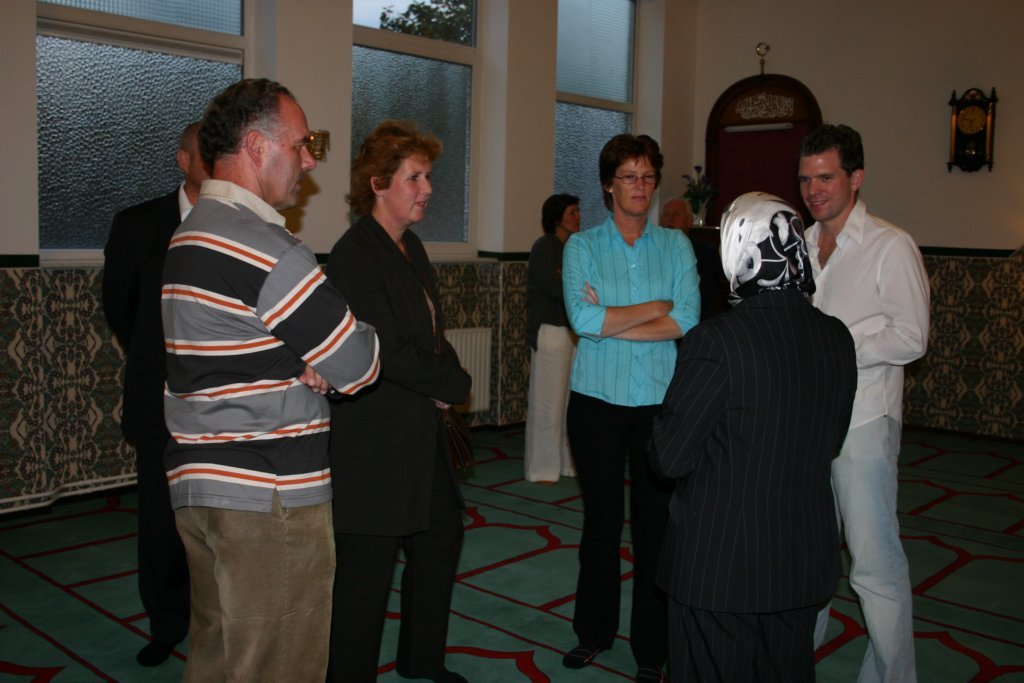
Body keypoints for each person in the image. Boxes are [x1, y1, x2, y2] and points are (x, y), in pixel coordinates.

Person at [161, 78, 381, 682]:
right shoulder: (263, 246)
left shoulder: (192, 230)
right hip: (268, 494)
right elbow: (358, 363)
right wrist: (334, 347)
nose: (310, 160)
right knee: (281, 665)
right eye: (302, 143)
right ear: (257, 148)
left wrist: (304, 355)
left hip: (202, 485)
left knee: (219, 657)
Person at [650, 192, 857, 682]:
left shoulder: (716, 341)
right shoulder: (837, 337)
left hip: (720, 567)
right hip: (801, 563)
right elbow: (831, 442)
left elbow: (669, 458)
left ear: (737, 252)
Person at [325, 119, 472, 683]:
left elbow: (429, 333)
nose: (427, 188)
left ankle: (421, 661)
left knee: (441, 539)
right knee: (366, 574)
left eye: (428, 176)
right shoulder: (355, 254)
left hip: (419, 434)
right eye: (415, 177)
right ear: (378, 183)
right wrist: (452, 383)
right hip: (375, 441)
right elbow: (384, 349)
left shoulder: (410, 246)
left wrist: (448, 372)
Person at [561, 134, 700, 683]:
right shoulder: (582, 247)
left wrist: (614, 319)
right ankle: (593, 633)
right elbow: (582, 321)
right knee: (601, 523)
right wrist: (654, 307)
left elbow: (686, 320)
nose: (639, 186)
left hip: (659, 406)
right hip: (595, 402)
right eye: (628, 177)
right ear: (608, 185)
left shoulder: (676, 245)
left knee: (654, 529)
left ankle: (651, 650)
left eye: (647, 176)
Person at [799, 124, 930, 683]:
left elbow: (912, 337)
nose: (813, 190)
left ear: (856, 178)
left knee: (873, 567)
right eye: (806, 179)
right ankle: (793, 662)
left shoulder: (890, 245)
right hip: (809, 426)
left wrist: (838, 348)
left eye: (825, 178)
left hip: (865, 422)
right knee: (810, 557)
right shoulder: (801, 244)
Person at [102, 121, 206, 667]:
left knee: (218, 520)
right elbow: (120, 307)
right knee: (161, 523)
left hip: (221, 403)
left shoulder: (238, 224)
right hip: (157, 397)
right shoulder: (138, 225)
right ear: (182, 160)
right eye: (204, 152)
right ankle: (167, 624)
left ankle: (216, 618)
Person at [524, 193, 580, 483]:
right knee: (548, 402)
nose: (577, 217)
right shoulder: (544, 247)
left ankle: (567, 464)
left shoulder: (573, 246)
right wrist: (573, 281)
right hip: (549, 330)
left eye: (577, 212)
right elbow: (558, 288)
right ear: (557, 218)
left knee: (569, 402)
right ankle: (542, 468)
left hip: (571, 331)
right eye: (572, 213)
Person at [659, 196, 728, 320]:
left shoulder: (705, 251)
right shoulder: (653, 249)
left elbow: (710, 292)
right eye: (666, 215)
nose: (670, 219)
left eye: (676, 215)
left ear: (689, 220)